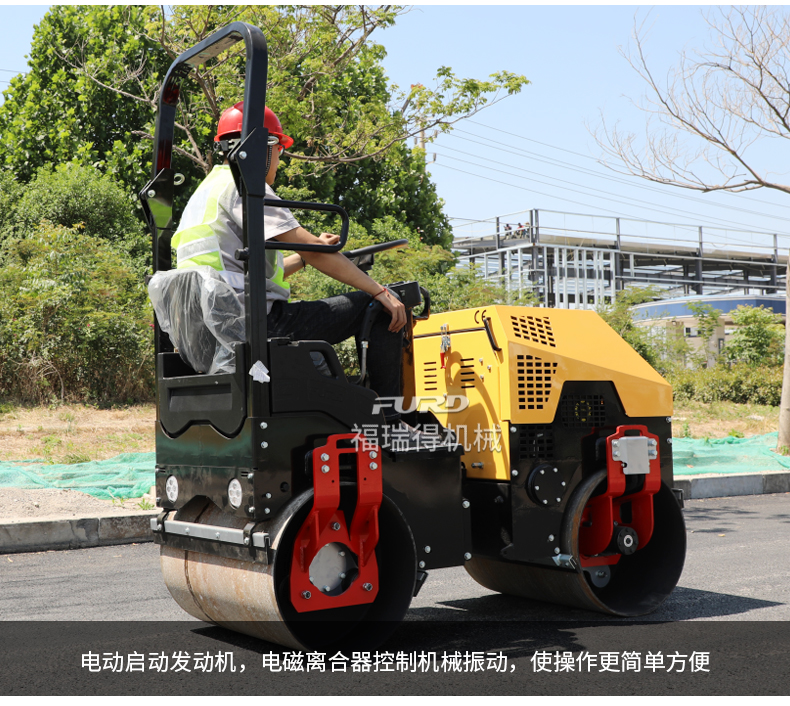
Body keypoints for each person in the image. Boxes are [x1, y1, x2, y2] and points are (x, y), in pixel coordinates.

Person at [171, 101, 427, 444]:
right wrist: (379, 291)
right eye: (279, 150)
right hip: (257, 326)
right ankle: (390, 424)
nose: (280, 161)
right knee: (379, 307)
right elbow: (313, 250)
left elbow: (244, 274)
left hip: (218, 329)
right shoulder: (244, 186)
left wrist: (306, 258)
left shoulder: (205, 193)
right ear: (265, 148)